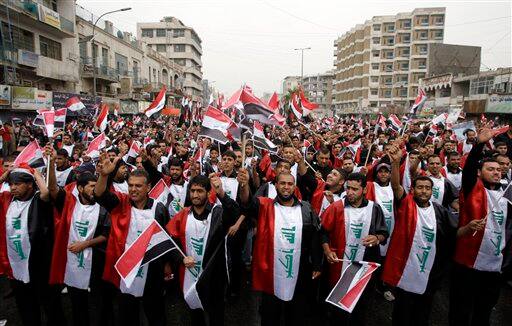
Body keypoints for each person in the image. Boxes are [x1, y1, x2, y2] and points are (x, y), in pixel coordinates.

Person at [382, 144, 457, 326]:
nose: (424, 191)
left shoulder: (439, 211)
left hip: (429, 269)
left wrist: (470, 227)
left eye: (427, 188)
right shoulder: (406, 204)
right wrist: (395, 163)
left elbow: (454, 231)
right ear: (413, 190)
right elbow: (396, 186)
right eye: (420, 188)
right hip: (407, 268)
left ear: (432, 192)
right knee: (403, 312)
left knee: (422, 313)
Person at [94, 153, 171, 326]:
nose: (133, 190)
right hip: (127, 268)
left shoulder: (159, 208)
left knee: (155, 313)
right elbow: (99, 194)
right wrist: (104, 175)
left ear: (148, 187)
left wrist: (167, 264)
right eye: (130, 186)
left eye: (138, 186)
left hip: (152, 269)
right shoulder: (120, 203)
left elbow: (166, 238)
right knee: (127, 313)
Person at [240, 172, 322, 326]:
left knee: (296, 314)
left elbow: (314, 237)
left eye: (290, 184)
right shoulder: (265, 206)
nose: (286, 187)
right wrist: (244, 185)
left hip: (299, 270)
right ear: (276, 185)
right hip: (272, 271)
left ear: (294, 187)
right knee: (271, 314)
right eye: (282, 183)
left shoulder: (306, 208)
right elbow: (247, 204)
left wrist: (317, 263)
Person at [449, 127, 512, 326]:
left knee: (483, 312)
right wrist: (478, 145)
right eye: (490, 169)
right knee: (461, 310)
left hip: (494, 265)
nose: (496, 172)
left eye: (499, 169)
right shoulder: (472, 188)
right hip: (468, 264)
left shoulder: (506, 195)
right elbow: (467, 170)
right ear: (479, 172)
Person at [47, 148, 111, 326]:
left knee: (99, 304)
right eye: (91, 186)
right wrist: (51, 163)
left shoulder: (102, 206)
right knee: (78, 305)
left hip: (96, 262)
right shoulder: (68, 204)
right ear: (80, 188)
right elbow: (52, 188)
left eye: (95, 185)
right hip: (73, 263)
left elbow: (106, 234)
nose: (94, 189)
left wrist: (86, 243)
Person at [166, 174, 240, 326]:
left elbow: (234, 214)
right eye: (192, 191)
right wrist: (181, 259)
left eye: (200, 191)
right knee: (196, 315)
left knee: (216, 315)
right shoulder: (183, 215)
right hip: (191, 275)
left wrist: (221, 193)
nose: (195, 195)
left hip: (214, 276)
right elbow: (170, 240)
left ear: (208, 193)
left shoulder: (218, 213)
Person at [0, 165, 65, 326]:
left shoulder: (39, 200)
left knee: (50, 305)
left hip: (41, 264)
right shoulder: (7, 199)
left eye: (17, 183)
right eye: (11, 184)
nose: (13, 187)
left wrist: (36, 173)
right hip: (17, 265)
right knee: (26, 307)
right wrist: (5, 175)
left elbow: (45, 193)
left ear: (30, 184)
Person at [320, 172, 388, 325]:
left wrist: (377, 239)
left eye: (355, 189)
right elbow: (323, 231)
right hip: (340, 266)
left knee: (359, 307)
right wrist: (327, 250)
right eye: (348, 188)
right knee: (338, 310)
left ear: (364, 190)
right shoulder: (336, 207)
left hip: (364, 267)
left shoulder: (374, 208)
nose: (350, 192)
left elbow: (384, 233)